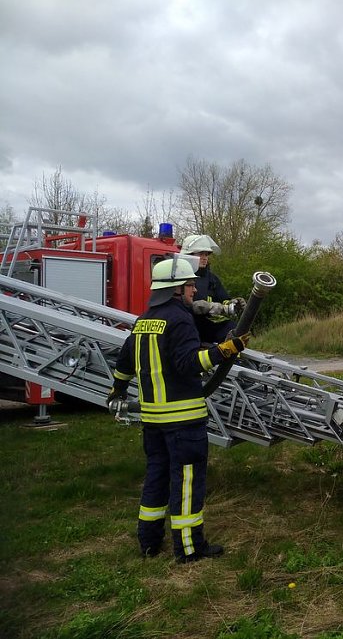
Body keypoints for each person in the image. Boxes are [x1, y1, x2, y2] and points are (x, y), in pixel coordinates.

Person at [108, 254, 250, 562]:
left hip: (153, 421)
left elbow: (124, 363)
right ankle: (189, 548)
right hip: (183, 421)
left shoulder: (144, 321)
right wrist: (225, 350)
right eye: (189, 285)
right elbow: (190, 364)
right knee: (186, 483)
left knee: (157, 476)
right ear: (175, 289)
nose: (195, 291)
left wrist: (117, 390)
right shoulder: (180, 319)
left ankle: (148, 542)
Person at [181, 234, 245, 344]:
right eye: (201, 254)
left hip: (207, 324)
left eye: (206, 254)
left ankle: (230, 357)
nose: (205, 257)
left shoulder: (211, 278)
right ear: (189, 255)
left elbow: (223, 298)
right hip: (187, 323)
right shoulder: (180, 276)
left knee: (234, 329)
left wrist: (233, 303)